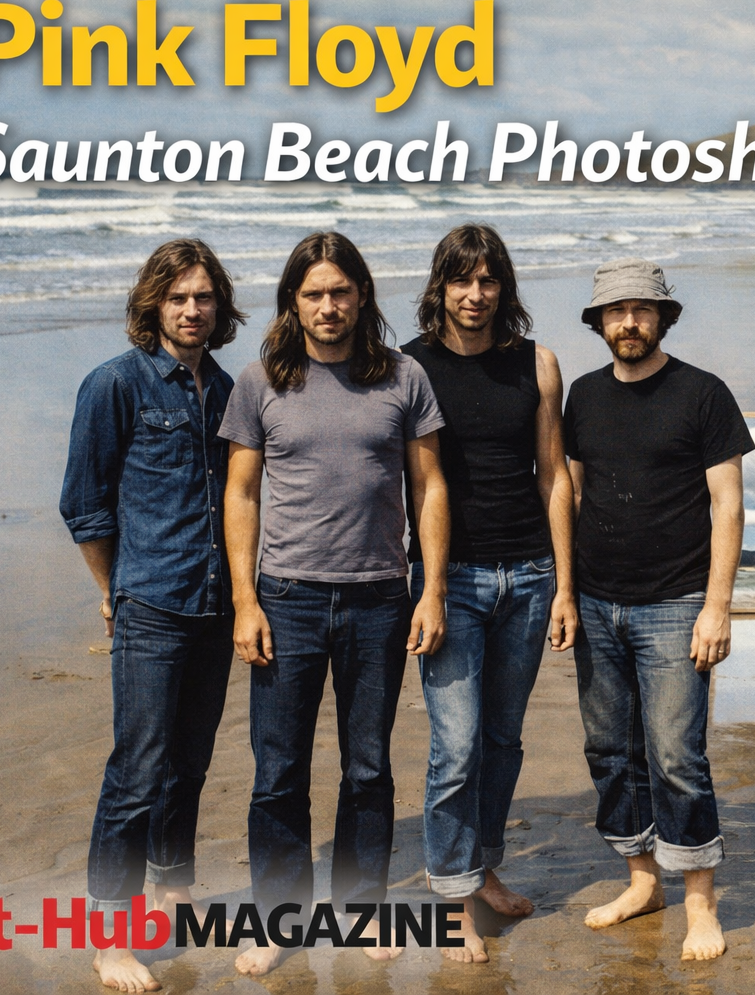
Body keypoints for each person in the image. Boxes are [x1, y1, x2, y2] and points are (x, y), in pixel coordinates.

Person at [219, 232, 449, 976]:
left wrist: (431, 589)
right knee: (278, 770)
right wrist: (245, 600)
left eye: (340, 292)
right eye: (314, 293)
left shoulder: (403, 377)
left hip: (380, 598)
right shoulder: (260, 381)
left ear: (362, 296)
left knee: (369, 767)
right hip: (286, 598)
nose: (328, 306)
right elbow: (241, 494)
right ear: (293, 301)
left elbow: (430, 487)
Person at [59, 238, 246, 993]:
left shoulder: (227, 387)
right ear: (153, 304)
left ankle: (173, 891)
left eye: (203, 297)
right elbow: (84, 502)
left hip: (215, 602)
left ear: (219, 306)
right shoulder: (115, 383)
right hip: (153, 603)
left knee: (189, 762)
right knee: (137, 770)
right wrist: (114, 588)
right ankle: (109, 938)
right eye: (177, 298)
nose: (191, 310)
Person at [561, 256, 753, 962]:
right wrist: (564, 592)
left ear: (663, 318)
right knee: (612, 753)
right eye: (616, 312)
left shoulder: (703, 394)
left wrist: (717, 607)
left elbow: (728, 505)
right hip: (596, 602)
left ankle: (701, 904)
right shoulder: (583, 396)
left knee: (676, 755)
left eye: (642, 309)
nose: (629, 322)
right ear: (599, 323)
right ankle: (643, 882)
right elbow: (571, 495)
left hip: (677, 604)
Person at [399, 224, 577, 963]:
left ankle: (485, 868)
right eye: (461, 280)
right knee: (457, 744)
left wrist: (565, 584)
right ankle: (451, 897)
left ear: (504, 287)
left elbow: (554, 475)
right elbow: (414, 483)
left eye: (488, 280)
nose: (475, 295)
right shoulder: (408, 367)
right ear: (440, 287)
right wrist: (430, 587)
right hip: (454, 581)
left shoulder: (537, 362)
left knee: (503, 740)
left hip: (530, 576)